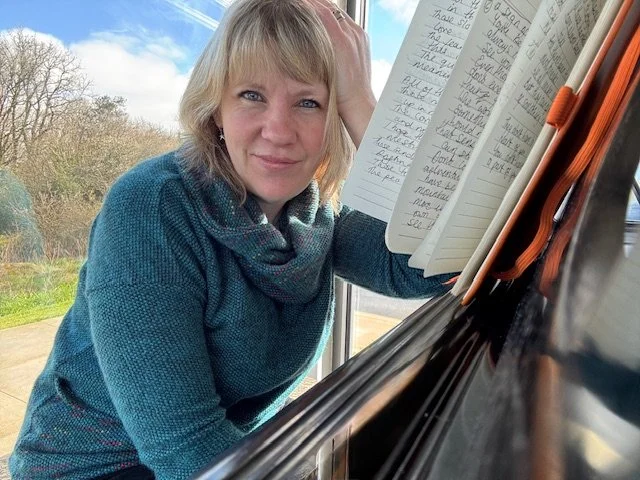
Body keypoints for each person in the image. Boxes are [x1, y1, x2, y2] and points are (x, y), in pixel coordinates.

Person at [9, 0, 451, 478]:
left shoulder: (314, 215)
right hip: (95, 466)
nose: (278, 131)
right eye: (251, 95)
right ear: (216, 110)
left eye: (309, 102)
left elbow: (428, 266)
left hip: (225, 453)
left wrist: (361, 102)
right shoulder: (151, 207)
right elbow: (183, 446)